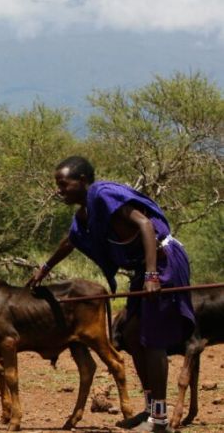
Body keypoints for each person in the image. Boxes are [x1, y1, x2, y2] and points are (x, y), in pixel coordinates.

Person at [27, 156, 195, 432]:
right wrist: (44, 269)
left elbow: (145, 225)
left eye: (63, 184)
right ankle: (151, 409)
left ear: (82, 181)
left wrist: (152, 275)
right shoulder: (84, 214)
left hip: (162, 260)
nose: (59, 190)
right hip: (145, 268)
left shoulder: (103, 194)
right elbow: (70, 241)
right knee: (130, 335)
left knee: (151, 339)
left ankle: (160, 420)